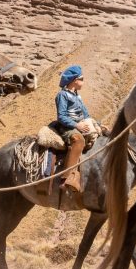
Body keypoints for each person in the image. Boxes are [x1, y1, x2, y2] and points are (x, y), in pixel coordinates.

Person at [50, 65, 102, 193]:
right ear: (74, 80)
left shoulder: (77, 96)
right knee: (78, 140)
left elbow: (86, 115)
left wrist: (97, 124)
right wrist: (76, 125)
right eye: (82, 79)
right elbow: (61, 116)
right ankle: (66, 178)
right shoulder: (62, 95)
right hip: (67, 126)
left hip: (80, 123)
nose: (83, 81)